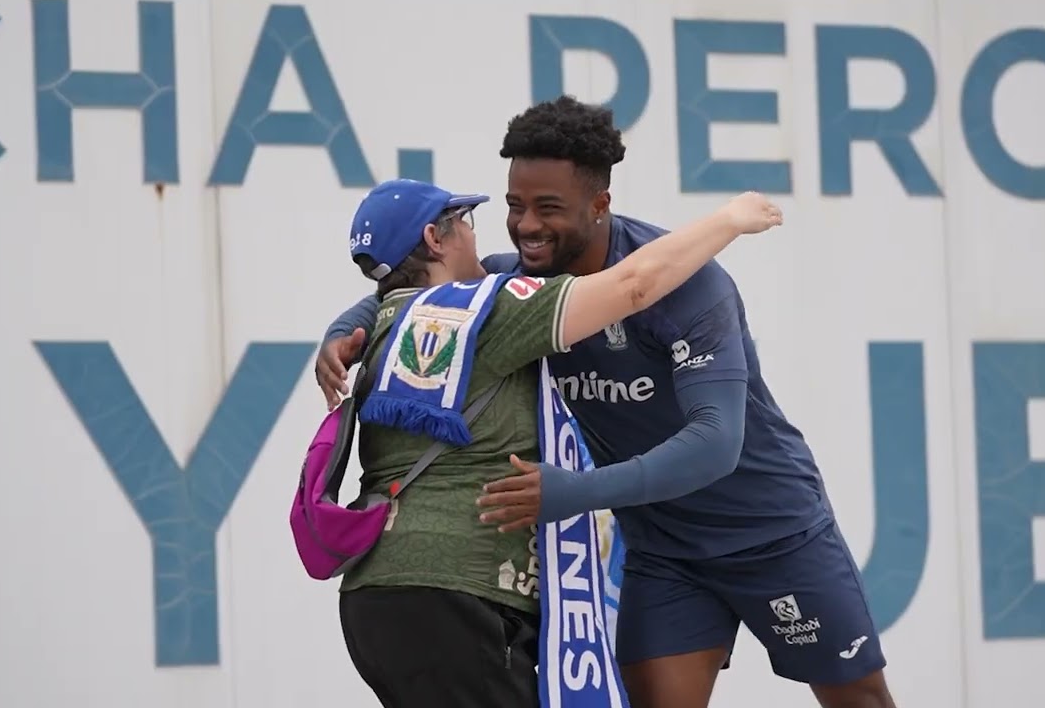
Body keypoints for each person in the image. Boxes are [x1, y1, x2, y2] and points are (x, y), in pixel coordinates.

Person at [318, 97, 897, 708]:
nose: (526, 226)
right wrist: (345, 328)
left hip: (770, 531)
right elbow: (427, 285)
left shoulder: (686, 281)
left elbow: (717, 442)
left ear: (600, 205)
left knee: (859, 700)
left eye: (548, 208)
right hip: (664, 552)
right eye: (514, 205)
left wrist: (576, 491)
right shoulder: (524, 277)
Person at [334, 176, 782, 708]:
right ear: (435, 238)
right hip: (458, 592)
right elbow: (634, 284)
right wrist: (730, 220)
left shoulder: (383, 328)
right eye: (463, 223)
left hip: (372, 597)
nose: (476, 236)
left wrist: (336, 332)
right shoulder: (487, 313)